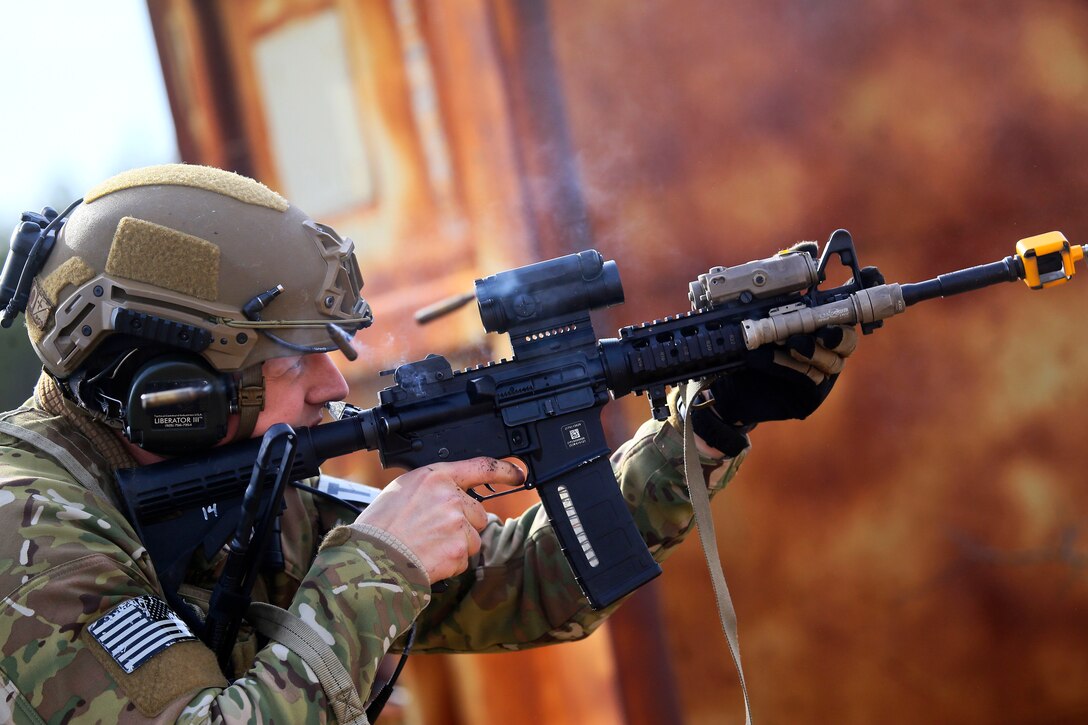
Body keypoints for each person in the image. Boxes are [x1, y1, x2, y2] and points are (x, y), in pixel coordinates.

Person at [0, 164, 854, 722]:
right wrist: (377, 567)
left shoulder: (230, 483)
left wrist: (705, 429)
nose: (335, 387)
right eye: (297, 359)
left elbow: (511, 584)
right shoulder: (25, 526)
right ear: (174, 389)